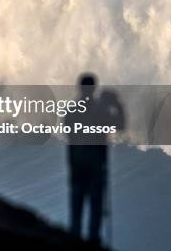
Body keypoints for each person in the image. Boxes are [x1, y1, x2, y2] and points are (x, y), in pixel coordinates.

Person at [66, 73, 125, 245]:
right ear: (94, 88)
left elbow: (69, 136)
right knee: (96, 207)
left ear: (79, 88)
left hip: (77, 165)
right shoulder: (100, 111)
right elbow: (120, 126)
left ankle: (75, 239)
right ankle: (93, 240)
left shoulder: (72, 110)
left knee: (77, 210)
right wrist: (117, 104)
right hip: (95, 166)